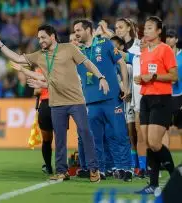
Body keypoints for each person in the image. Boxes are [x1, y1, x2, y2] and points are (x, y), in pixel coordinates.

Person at [0, 24, 109, 182]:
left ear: (52, 36)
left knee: (85, 132)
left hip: (76, 101)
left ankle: (94, 169)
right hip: (56, 102)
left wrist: (101, 77)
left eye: (43, 37)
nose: (40, 41)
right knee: (59, 138)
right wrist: (1, 45)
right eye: (39, 38)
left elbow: (87, 63)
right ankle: (61, 171)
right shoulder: (39, 55)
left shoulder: (69, 48)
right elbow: (18, 58)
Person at [73, 19, 132, 181]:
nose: (76, 33)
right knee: (95, 139)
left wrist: (125, 86)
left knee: (118, 134)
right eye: (75, 31)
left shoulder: (105, 43)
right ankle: (101, 169)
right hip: (90, 101)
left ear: (88, 30)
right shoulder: (77, 52)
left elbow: (120, 62)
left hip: (111, 98)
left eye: (78, 30)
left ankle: (125, 168)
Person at [135, 16, 177, 194]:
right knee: (147, 143)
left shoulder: (165, 49)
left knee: (154, 142)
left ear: (159, 31)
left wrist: (152, 77)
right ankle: (153, 185)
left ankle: (176, 176)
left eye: (150, 28)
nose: (146, 30)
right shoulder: (144, 52)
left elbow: (174, 77)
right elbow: (146, 77)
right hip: (145, 98)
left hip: (161, 99)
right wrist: (140, 80)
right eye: (145, 27)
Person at [115, 18, 143, 176]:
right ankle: (134, 164)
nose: (117, 30)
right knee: (129, 132)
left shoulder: (138, 46)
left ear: (128, 28)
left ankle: (146, 163)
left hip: (138, 93)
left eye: (120, 27)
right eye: (116, 27)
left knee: (140, 131)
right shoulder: (117, 46)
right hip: (125, 95)